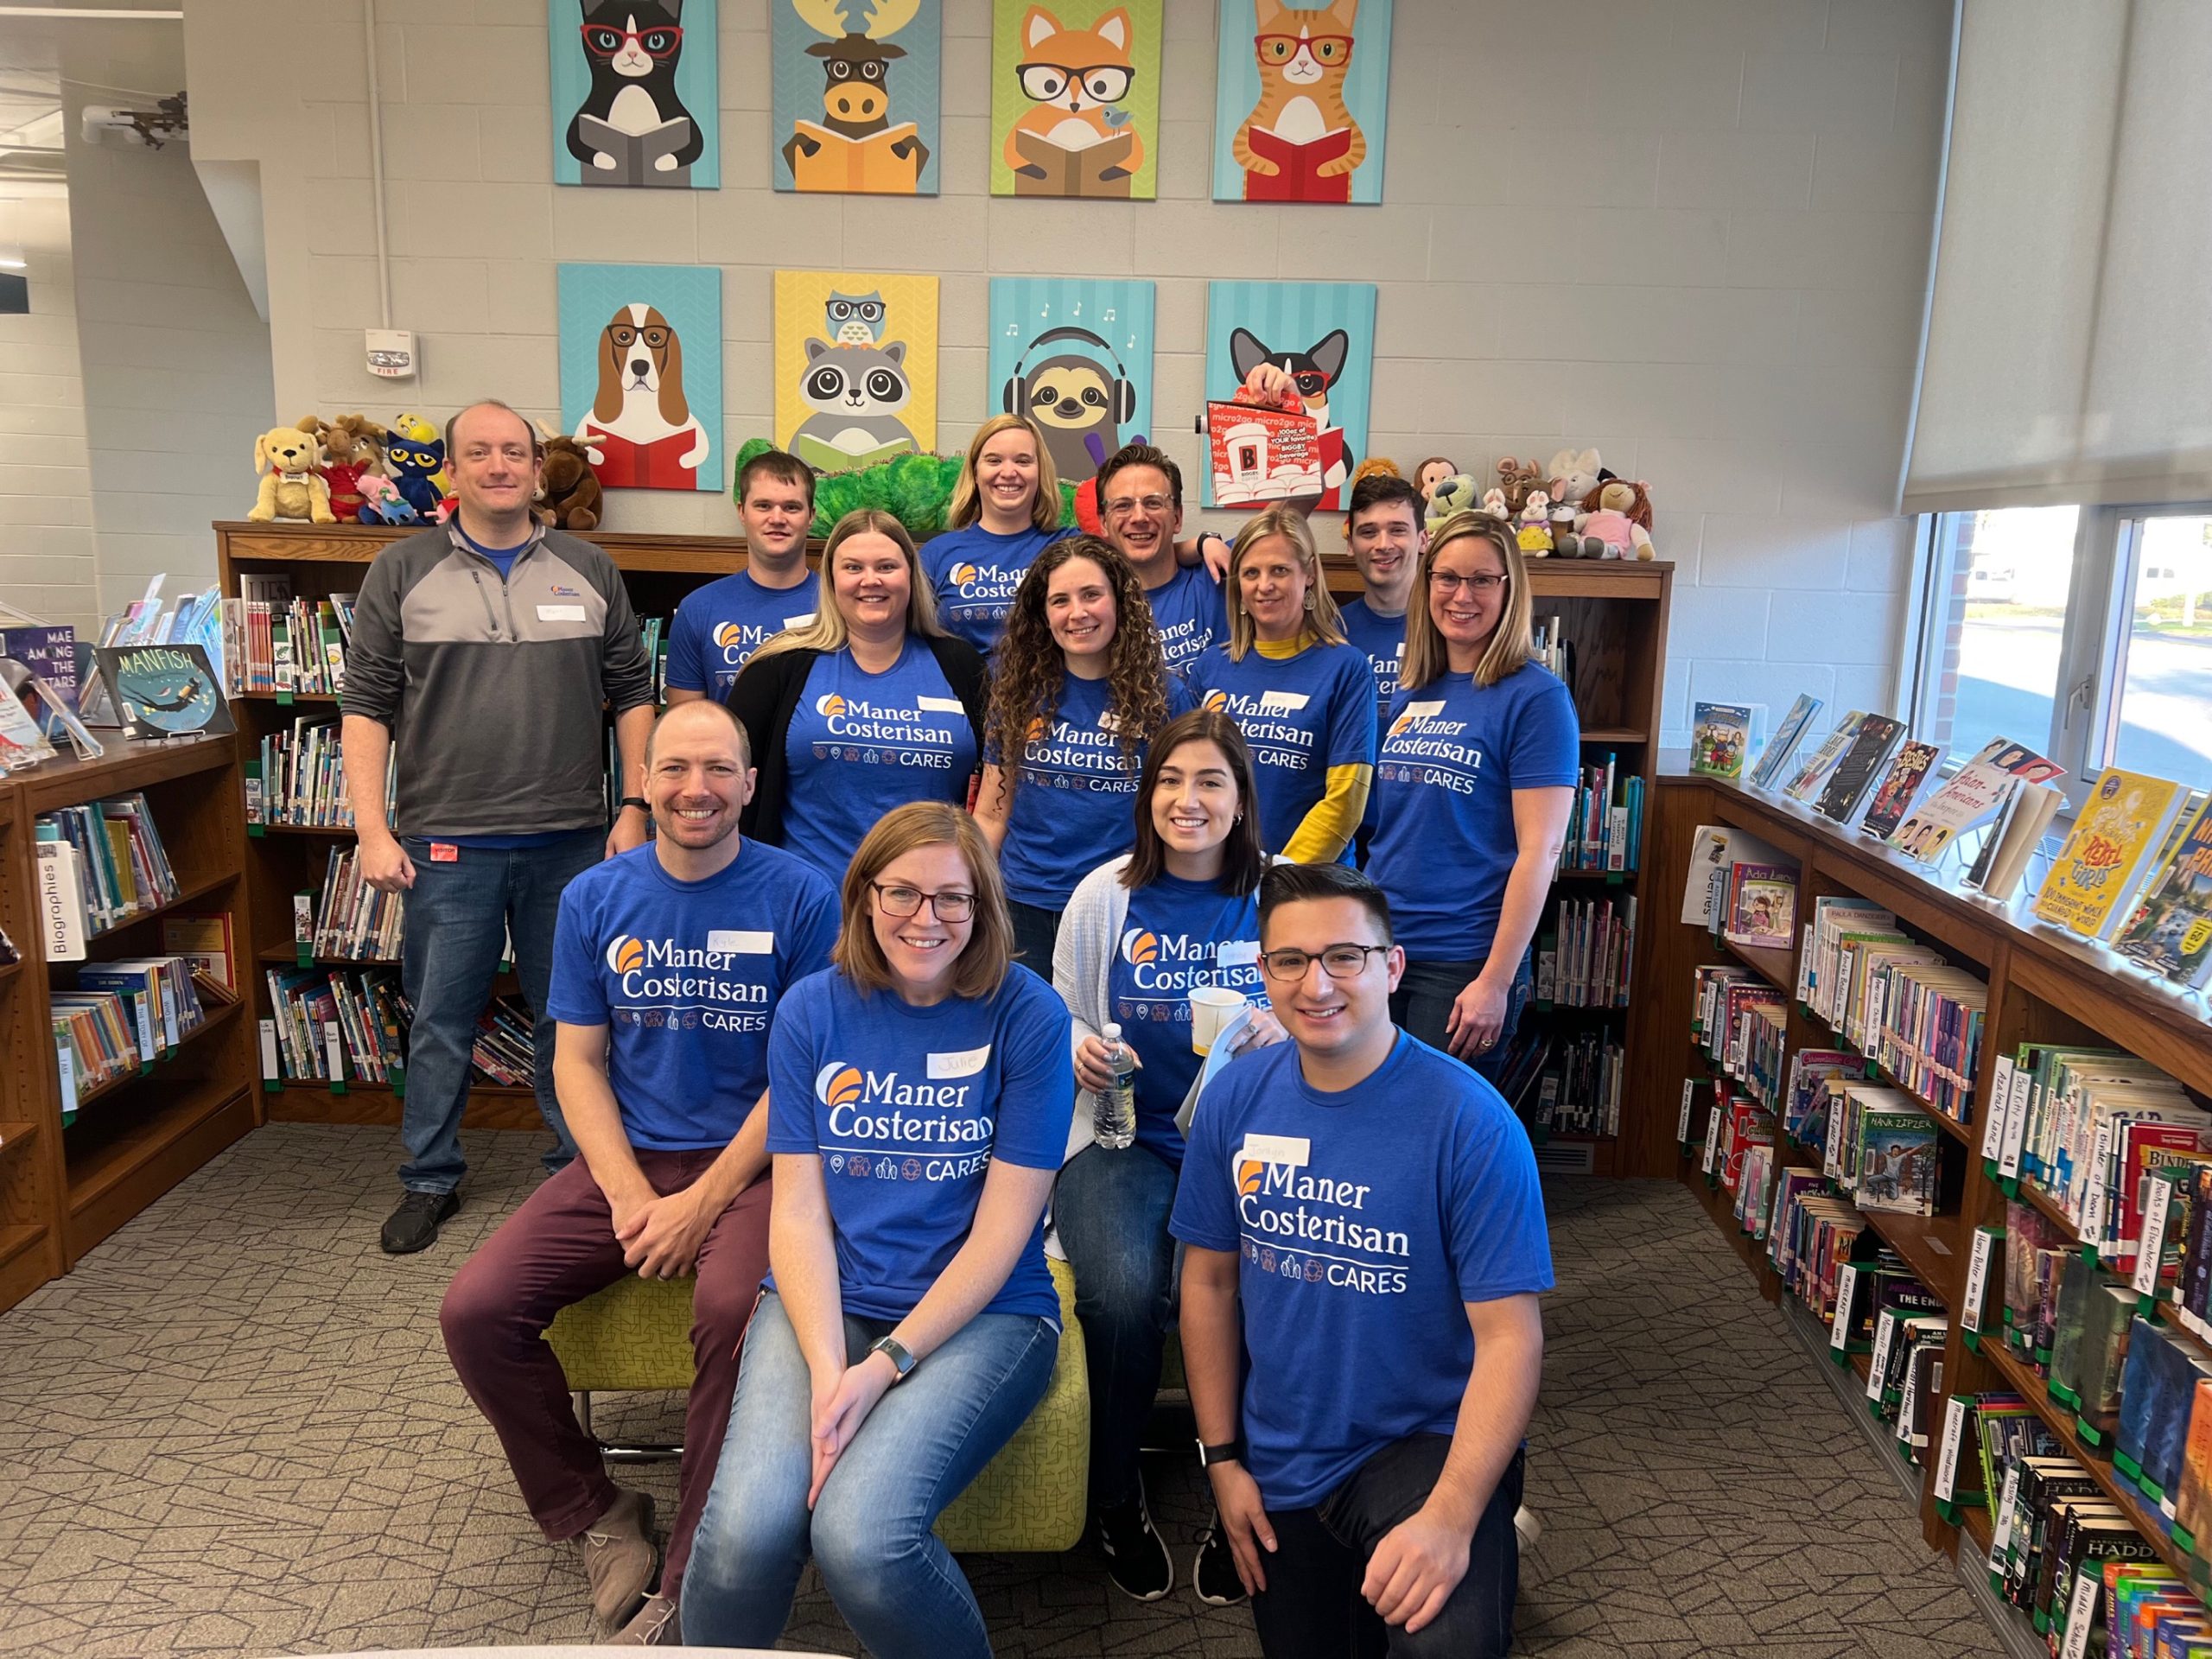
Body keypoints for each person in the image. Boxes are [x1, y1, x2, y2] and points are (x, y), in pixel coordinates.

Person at [438, 700, 838, 1645]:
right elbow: (577, 1063)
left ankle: (692, 1581)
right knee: (475, 1311)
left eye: (718, 769)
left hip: (760, 1164)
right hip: (629, 1156)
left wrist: (701, 1204)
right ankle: (596, 1510)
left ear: (749, 784)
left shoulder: (802, 895)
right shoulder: (595, 897)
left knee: (734, 1314)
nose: (696, 789)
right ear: (645, 782)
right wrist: (628, 1196)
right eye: (675, 769)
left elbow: (801, 1078)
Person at [681, 803, 1076, 1659]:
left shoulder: (1029, 1015)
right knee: (744, 1532)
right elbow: (797, 1211)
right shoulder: (810, 1010)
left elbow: (1003, 1234)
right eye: (902, 892)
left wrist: (886, 1364)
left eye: (952, 898)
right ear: (864, 895)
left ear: (982, 907)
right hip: (828, 1296)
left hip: (987, 1312)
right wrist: (831, 1376)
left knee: (861, 1539)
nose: (925, 918)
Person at [1170, 861, 1552, 1659]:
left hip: (1425, 1440)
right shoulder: (1234, 1098)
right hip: (1283, 1447)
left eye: (1345, 957)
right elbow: (1206, 1282)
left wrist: (1452, 1519)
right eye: (1291, 961)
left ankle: (1488, 1531)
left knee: (1446, 1646)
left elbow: (1511, 1339)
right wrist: (1222, 1462)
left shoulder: (1471, 1123)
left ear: (1393, 966)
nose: (1317, 985)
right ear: (1264, 971)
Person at [341, 398, 655, 1255]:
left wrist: (634, 808)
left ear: (537, 467)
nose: (499, 465)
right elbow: (366, 704)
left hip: (572, 842)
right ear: (451, 469)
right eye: (478, 452)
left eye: (514, 451)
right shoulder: (401, 571)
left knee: (573, 1022)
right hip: (447, 843)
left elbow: (633, 693)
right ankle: (429, 1179)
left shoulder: (589, 567)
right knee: (440, 1019)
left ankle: (576, 1172)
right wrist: (372, 829)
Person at [1051, 707, 1285, 1605]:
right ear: (1148, 796)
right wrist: (1080, 1044)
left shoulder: (1283, 893)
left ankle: (1250, 1500)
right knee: (1119, 1295)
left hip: (1256, 1147)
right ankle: (1114, 1492)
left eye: (1211, 782)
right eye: (1171, 781)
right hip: (1126, 1137)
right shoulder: (1102, 894)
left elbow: (1335, 1013)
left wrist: (1286, 1032)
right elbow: (1063, 1011)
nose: (1188, 800)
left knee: (1266, 1292)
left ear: (1241, 800)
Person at [1363, 509, 1578, 1078]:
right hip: (1383, 949)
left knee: (1433, 1123)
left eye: (1482, 580)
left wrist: (1496, 980)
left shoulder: (1536, 699)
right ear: (1427, 583)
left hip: (1463, 962)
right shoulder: (1413, 689)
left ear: (1509, 589)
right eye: (1448, 578)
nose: (1463, 595)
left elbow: (1541, 852)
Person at [723, 509, 989, 881]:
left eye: (886, 567)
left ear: (911, 575)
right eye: (853, 567)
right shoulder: (778, 666)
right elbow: (728, 784)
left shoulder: (962, 665)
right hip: (808, 900)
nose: (870, 580)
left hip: (928, 900)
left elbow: (996, 788)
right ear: (831, 579)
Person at [974, 536, 1196, 969]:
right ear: (1043, 614)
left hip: (1123, 901)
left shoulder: (1165, 697)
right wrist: (972, 892)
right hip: (1025, 903)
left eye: (1091, 595)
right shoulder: (1018, 693)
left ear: (1120, 602)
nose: (1077, 613)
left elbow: (1183, 813)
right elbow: (992, 813)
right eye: (1060, 600)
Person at [1187, 506, 1376, 864]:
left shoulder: (1347, 669)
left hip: (1308, 883)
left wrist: (1276, 876)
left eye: (1280, 570)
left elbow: (1345, 801)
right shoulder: (1210, 666)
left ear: (1309, 574)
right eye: (1251, 573)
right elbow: (1189, 783)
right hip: (1220, 878)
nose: (1265, 586)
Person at [664, 448, 820, 703]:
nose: (777, 518)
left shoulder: (840, 605)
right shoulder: (698, 609)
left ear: (811, 516)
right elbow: (684, 722)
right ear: (742, 512)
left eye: (791, 507)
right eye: (763, 506)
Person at [920, 415, 1065, 658]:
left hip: (1048, 681)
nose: (1008, 472)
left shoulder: (1068, 546)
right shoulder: (936, 554)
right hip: (959, 682)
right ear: (975, 473)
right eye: (994, 460)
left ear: (1041, 472)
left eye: (1023, 461)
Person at [1094, 442, 1230, 678]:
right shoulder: (1092, 608)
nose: (1139, 517)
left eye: (1153, 503)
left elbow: (1287, 514)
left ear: (1177, 517)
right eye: (1123, 505)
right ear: (1104, 523)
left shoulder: (1219, 572)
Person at [1337, 472, 1425, 725]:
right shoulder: (1328, 631)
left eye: (1397, 530)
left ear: (1423, 540)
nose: (1384, 544)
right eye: (1368, 532)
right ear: (1350, 544)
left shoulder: (1452, 628)